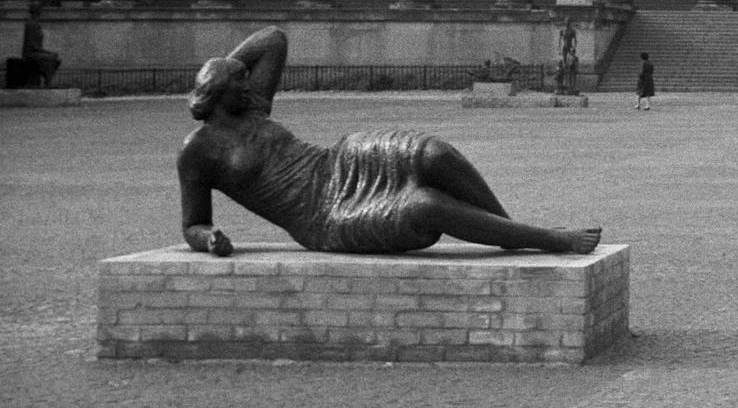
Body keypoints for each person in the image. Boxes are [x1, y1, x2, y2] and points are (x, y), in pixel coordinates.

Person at [177, 27, 599, 256]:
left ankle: (510, 232)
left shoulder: (251, 106)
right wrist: (208, 239)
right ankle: (547, 239)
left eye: (246, 76)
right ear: (217, 94)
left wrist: (225, 67)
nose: (248, 83)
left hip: (339, 163)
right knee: (424, 205)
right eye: (239, 82)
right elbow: (193, 223)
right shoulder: (197, 151)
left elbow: (272, 39)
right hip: (322, 216)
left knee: (431, 153)